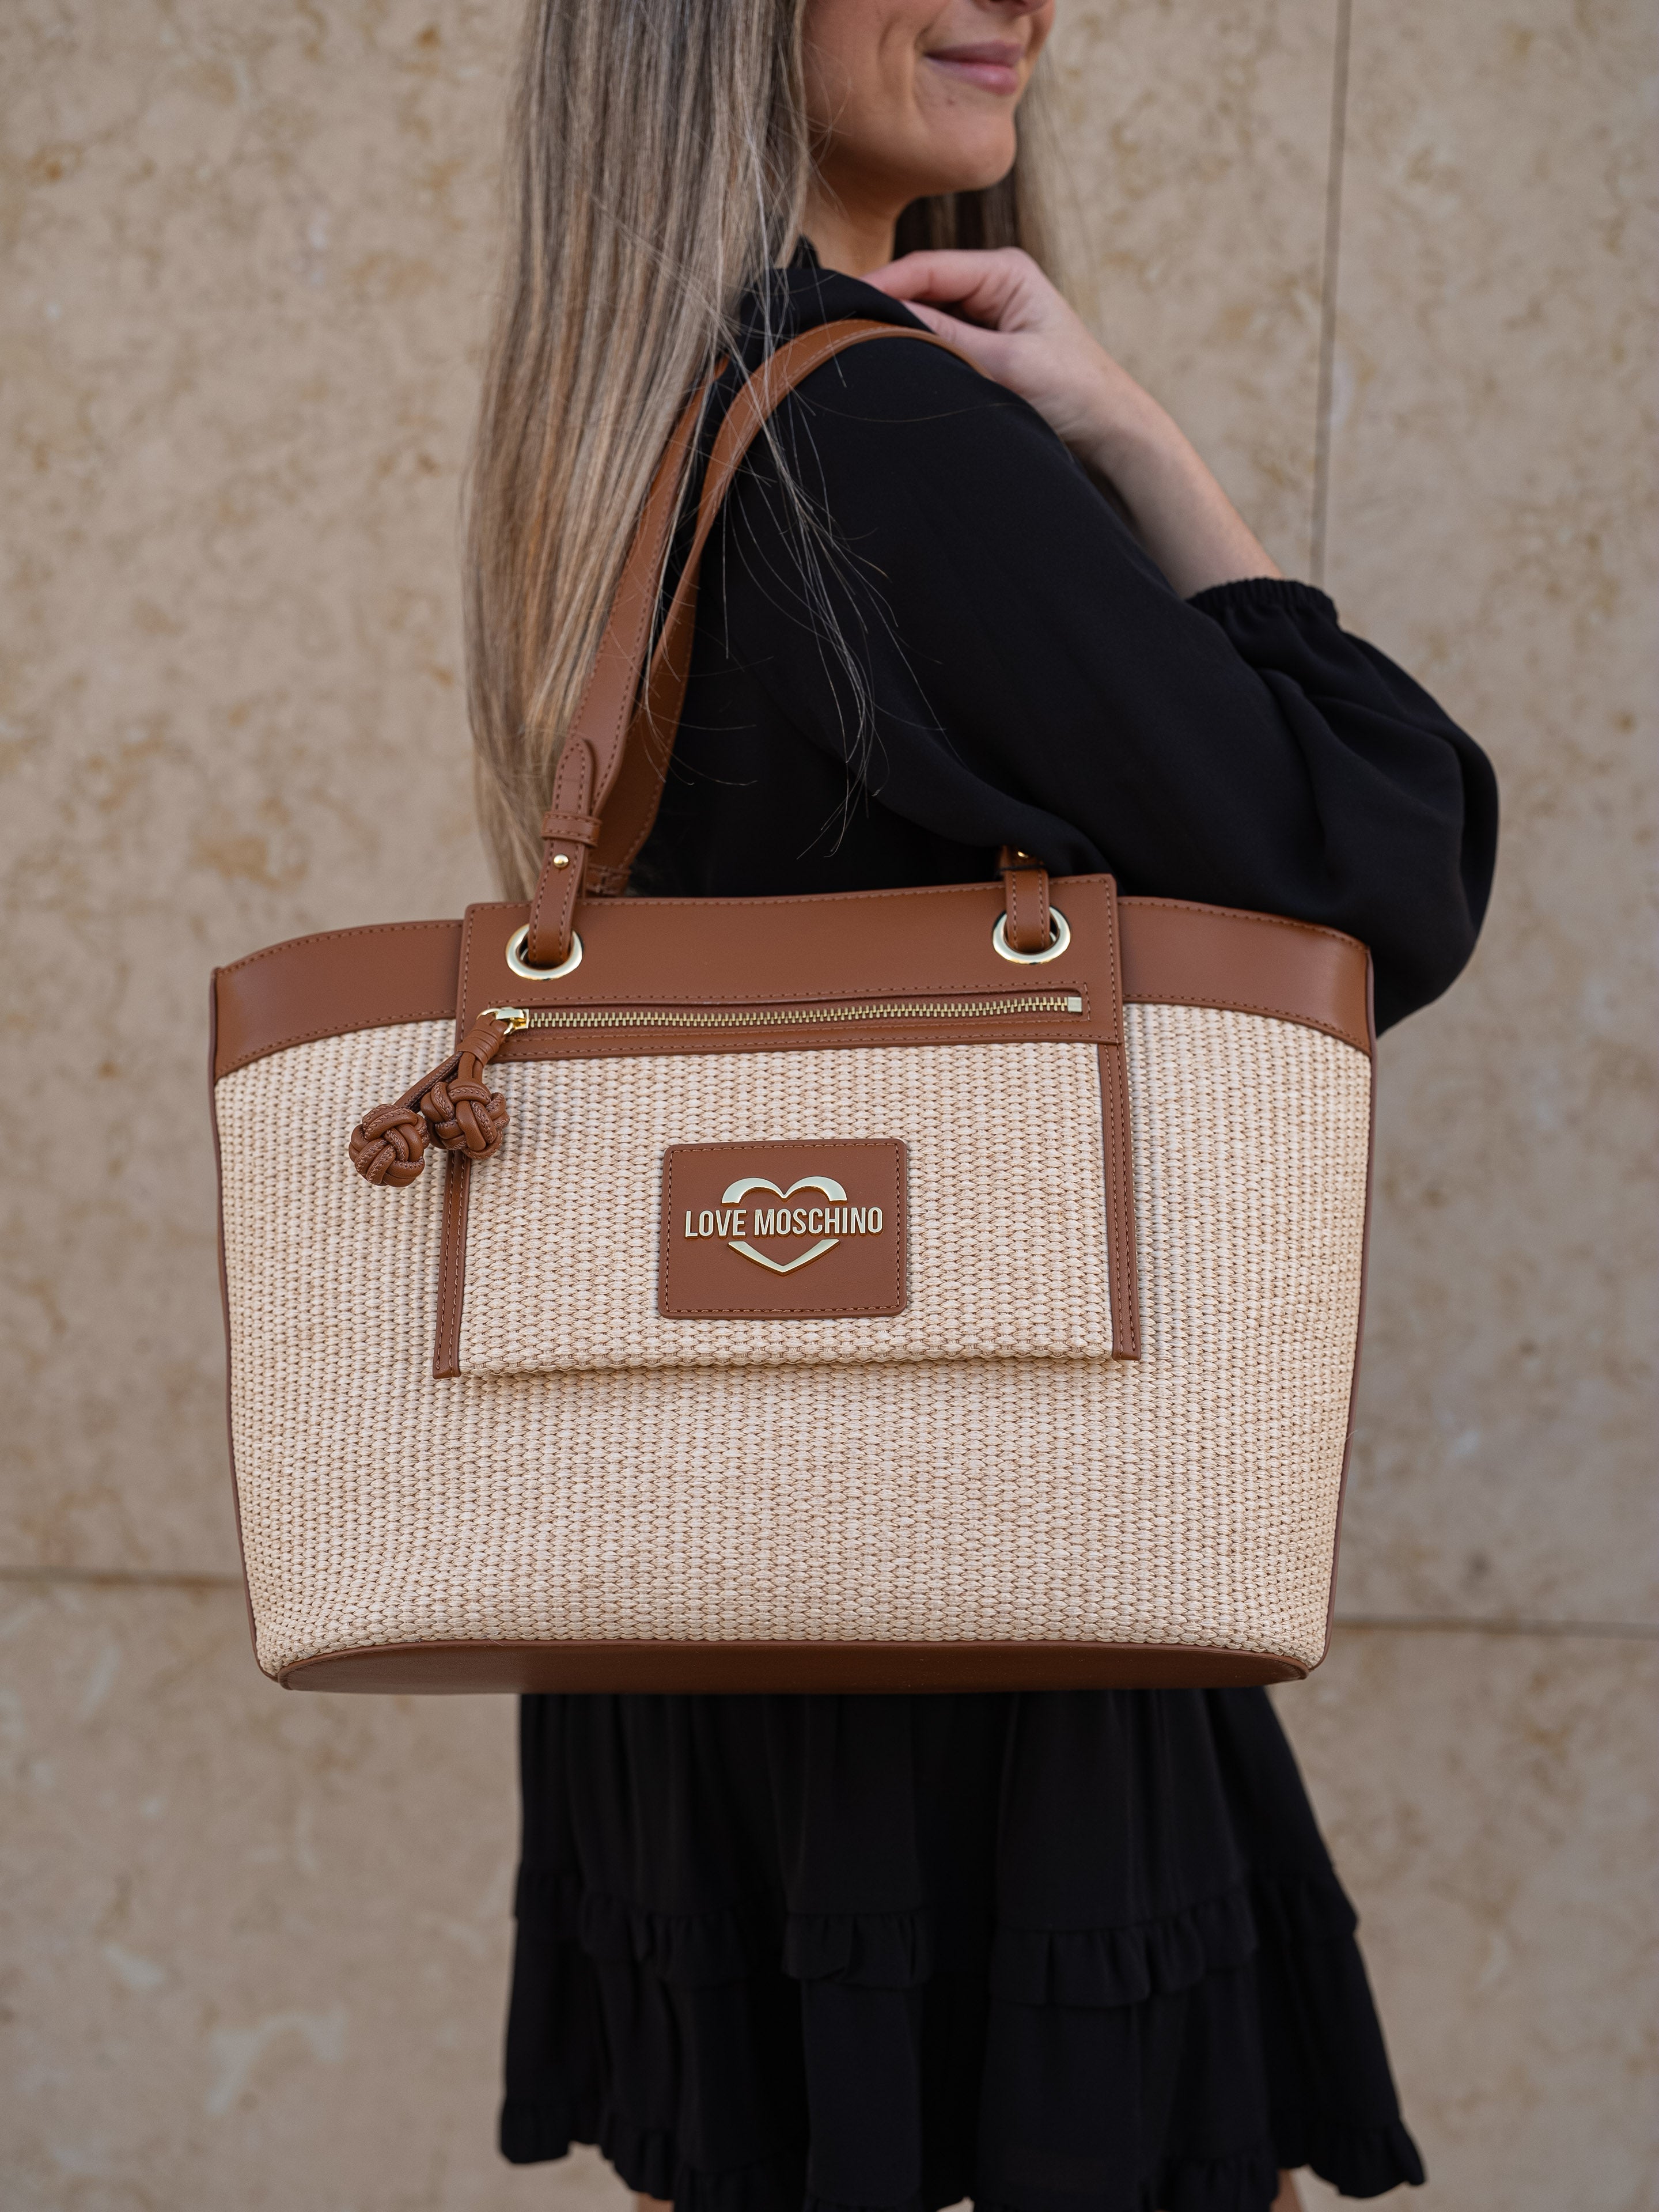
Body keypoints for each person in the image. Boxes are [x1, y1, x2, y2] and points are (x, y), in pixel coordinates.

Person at [465, 5, 1498, 2209]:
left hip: (699, 1606)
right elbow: (1378, 858)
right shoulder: (879, 430)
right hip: (974, 1612)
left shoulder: (624, 411)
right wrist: (1141, 439)